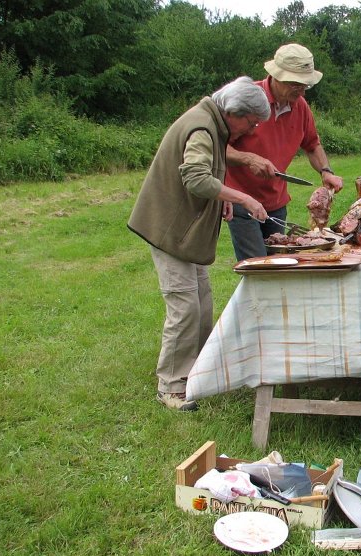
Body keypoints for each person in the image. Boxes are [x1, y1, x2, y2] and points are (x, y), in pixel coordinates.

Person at [128, 77, 270, 411]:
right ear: (234, 112)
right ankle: (171, 386)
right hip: (168, 229)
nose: (250, 131)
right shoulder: (204, 128)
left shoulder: (214, 122)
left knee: (203, 303)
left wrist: (220, 195)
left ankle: (197, 373)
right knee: (185, 307)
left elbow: (207, 173)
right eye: (250, 122)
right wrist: (242, 197)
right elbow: (194, 177)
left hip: (184, 232)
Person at [224, 43, 344, 261]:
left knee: (282, 263)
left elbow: (312, 144)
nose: (301, 90)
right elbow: (217, 146)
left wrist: (326, 171)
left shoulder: (301, 107)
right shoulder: (248, 99)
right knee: (258, 267)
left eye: (304, 84)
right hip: (243, 200)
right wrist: (248, 159)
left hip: (276, 202)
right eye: (295, 84)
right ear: (276, 76)